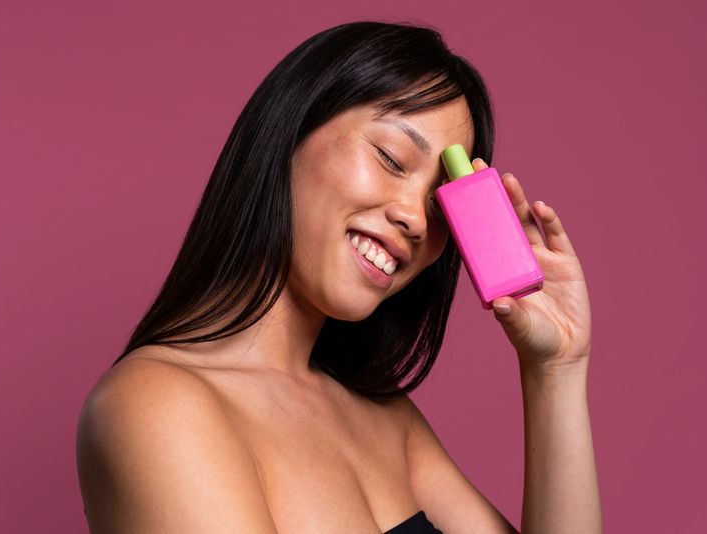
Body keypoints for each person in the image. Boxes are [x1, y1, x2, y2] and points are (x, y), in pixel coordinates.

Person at [76, 20, 601, 533]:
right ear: (289, 133)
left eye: (441, 207)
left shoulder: (389, 421)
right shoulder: (156, 407)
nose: (417, 220)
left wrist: (555, 370)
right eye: (392, 159)